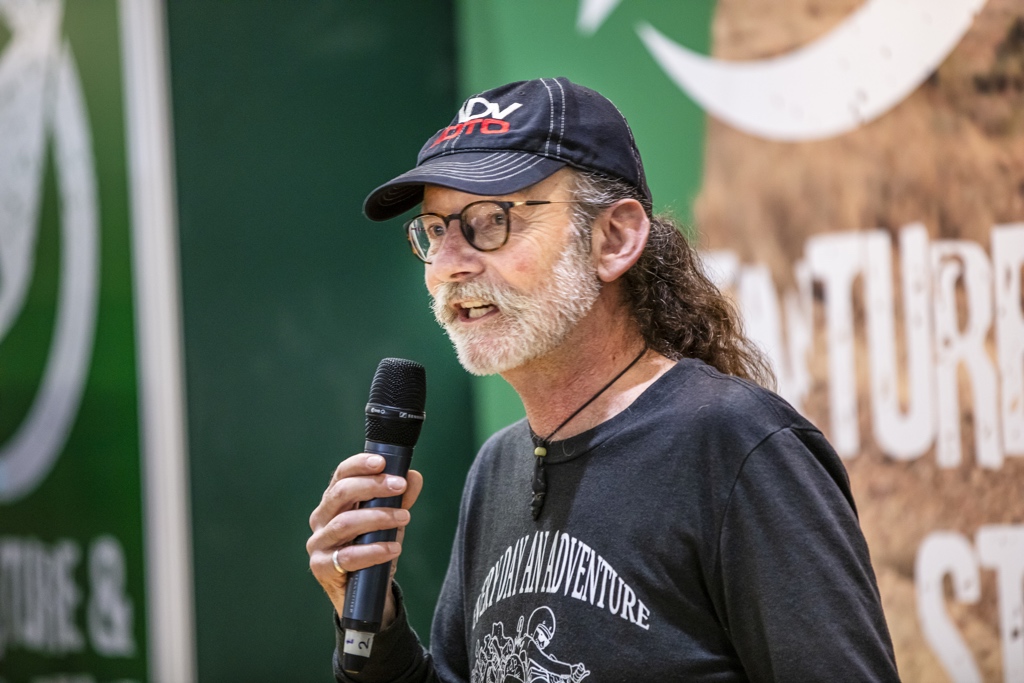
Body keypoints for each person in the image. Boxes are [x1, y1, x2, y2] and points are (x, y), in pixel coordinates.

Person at [306, 77, 899, 682]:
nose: (449, 265)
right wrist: (374, 627)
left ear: (613, 238)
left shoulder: (735, 445)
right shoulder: (497, 467)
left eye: (490, 221)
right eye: (435, 230)